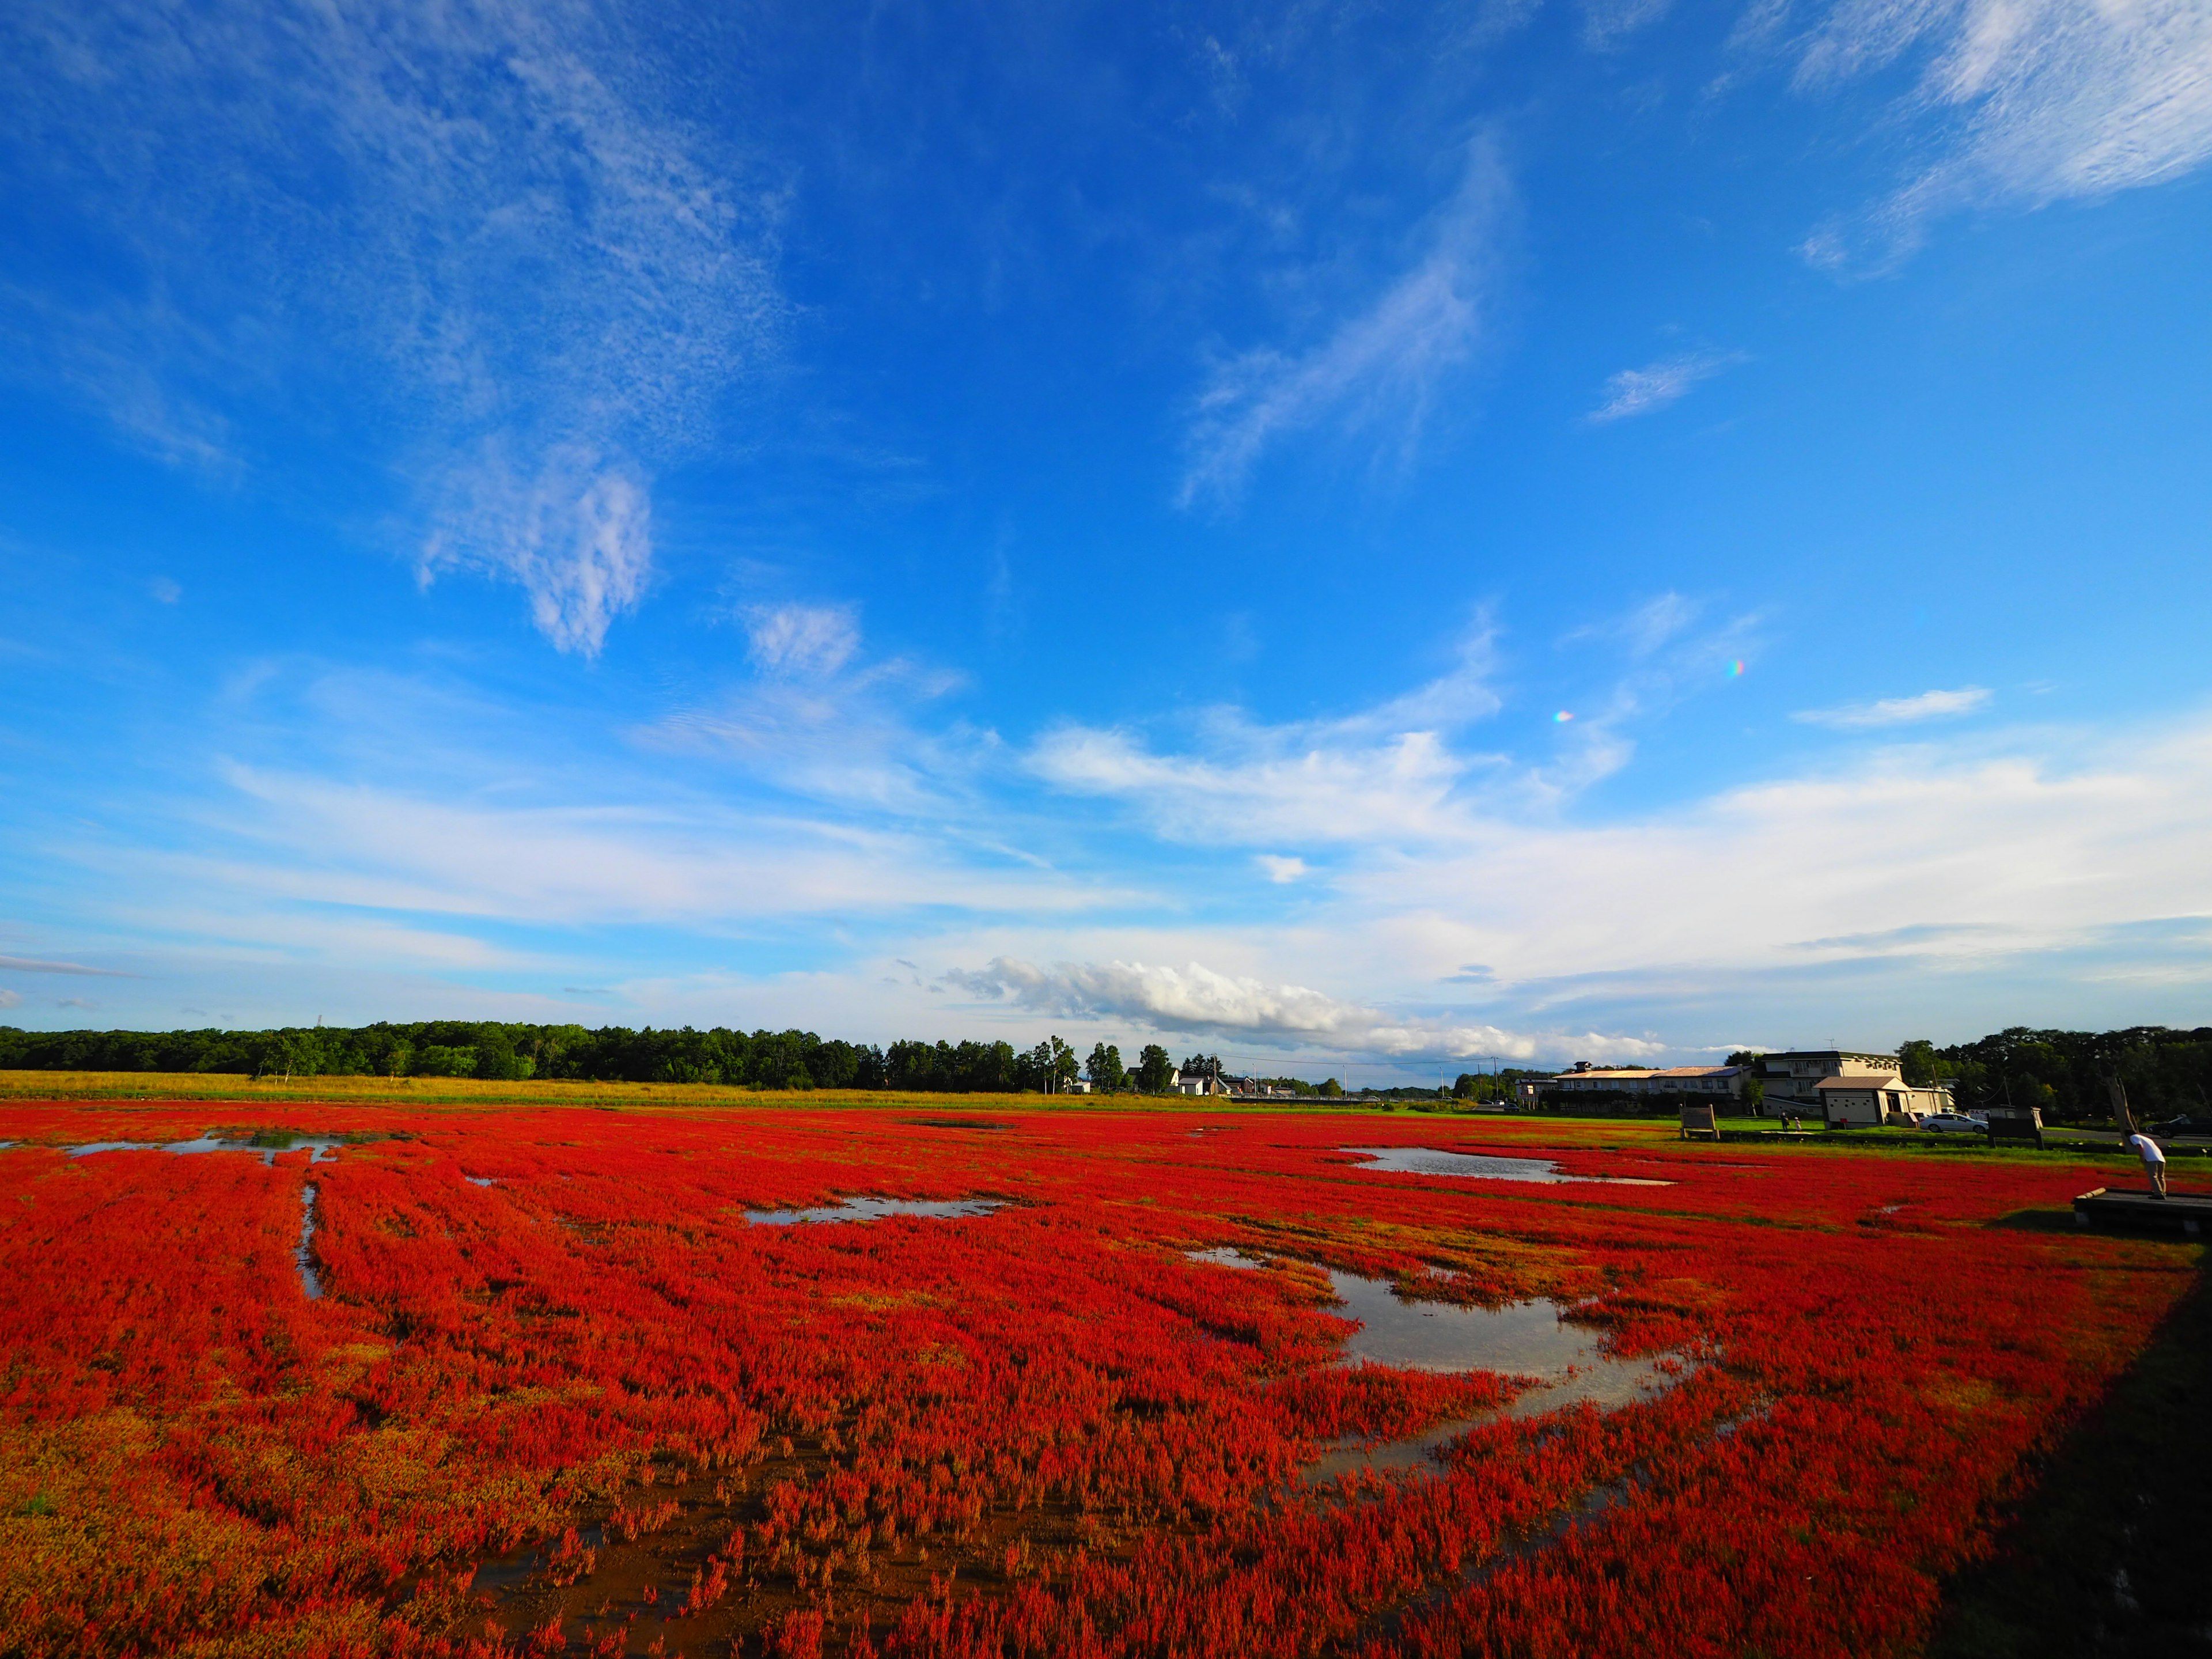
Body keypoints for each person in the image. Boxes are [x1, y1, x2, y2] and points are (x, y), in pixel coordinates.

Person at [2126, 1128, 2168, 1199]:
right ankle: (2163, 1192)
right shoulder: (2146, 1139)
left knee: (2153, 1176)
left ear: (2127, 1135)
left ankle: (2158, 1194)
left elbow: (2139, 1146)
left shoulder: (2133, 1137)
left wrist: (2142, 1157)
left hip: (2151, 1159)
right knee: (2160, 1177)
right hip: (2161, 1158)